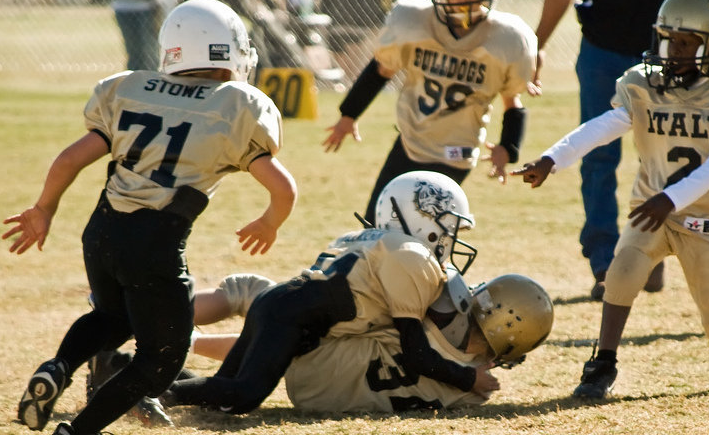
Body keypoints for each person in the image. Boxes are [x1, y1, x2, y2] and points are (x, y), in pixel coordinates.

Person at [5, 0, 298, 435]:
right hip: (155, 242)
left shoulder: (129, 89)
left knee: (113, 316)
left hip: (101, 231)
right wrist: (270, 221)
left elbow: (70, 158)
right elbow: (283, 187)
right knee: (163, 355)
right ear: (229, 54)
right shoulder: (236, 105)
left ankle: (58, 368)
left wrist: (43, 209)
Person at [515, 0, 709, 400]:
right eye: (670, 40)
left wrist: (670, 199)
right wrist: (552, 159)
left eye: (687, 43)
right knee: (620, 272)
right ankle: (602, 362)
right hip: (650, 210)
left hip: (704, 218)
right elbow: (602, 126)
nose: (674, 51)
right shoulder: (645, 86)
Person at [161, 171, 487, 415]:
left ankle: (134, 376)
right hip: (291, 320)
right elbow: (415, 353)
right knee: (243, 395)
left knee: (219, 398)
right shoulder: (410, 257)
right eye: (448, 226)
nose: (451, 237)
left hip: (279, 305)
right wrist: (467, 378)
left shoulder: (367, 240)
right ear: (423, 219)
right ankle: (153, 396)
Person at [531, 0, 709, 302]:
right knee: (598, 156)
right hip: (603, 47)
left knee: (665, 152)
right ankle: (607, 262)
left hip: (674, 53)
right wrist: (537, 44)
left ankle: (651, 253)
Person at [323, 0, 537, 224]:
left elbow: (512, 101)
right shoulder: (414, 21)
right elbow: (381, 71)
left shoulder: (507, 39)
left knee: (424, 225)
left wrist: (507, 148)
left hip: (457, 150)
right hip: (412, 140)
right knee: (377, 219)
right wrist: (349, 114)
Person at [136, 270, 553, 415]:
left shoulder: (424, 328)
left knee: (260, 293)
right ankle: (180, 348)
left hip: (318, 358)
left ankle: (149, 318)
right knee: (281, 331)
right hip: (328, 391)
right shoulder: (473, 394)